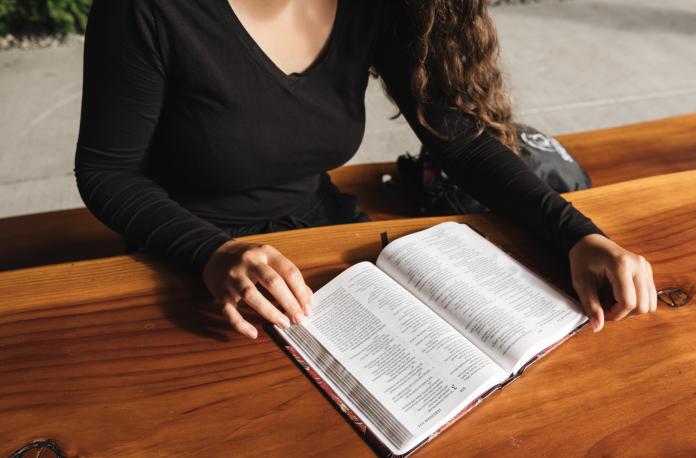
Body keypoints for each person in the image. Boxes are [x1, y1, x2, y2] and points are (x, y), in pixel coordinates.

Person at [74, 0, 657, 340]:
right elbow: (108, 172)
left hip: (316, 224)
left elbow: (458, 141)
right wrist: (209, 254)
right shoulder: (145, 10)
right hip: (184, 245)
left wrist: (578, 234)